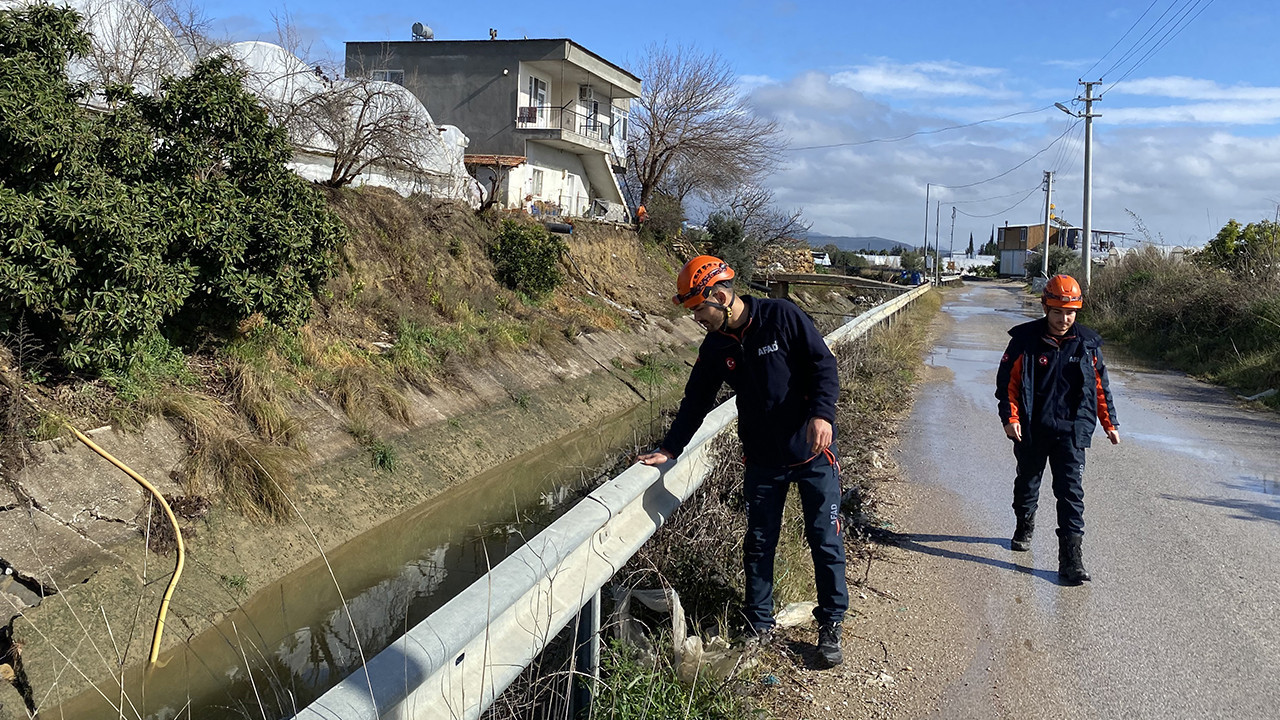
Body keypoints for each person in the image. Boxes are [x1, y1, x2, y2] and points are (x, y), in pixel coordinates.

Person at [637, 255, 848, 666]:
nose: (696, 317)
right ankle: (759, 626)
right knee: (758, 544)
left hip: (812, 452)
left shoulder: (781, 316)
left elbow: (824, 364)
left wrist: (823, 413)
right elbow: (695, 401)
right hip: (763, 459)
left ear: (719, 295)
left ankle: (831, 624)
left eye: (699, 308)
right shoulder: (716, 347)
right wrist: (670, 449)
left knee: (825, 538)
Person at [995, 274, 1120, 585]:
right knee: (1027, 484)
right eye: (1057, 312)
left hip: (1072, 432)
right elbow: (1007, 385)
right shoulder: (1024, 341)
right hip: (1032, 429)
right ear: (1045, 307)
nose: (1064, 319)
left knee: (1071, 494)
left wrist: (1110, 423)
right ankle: (1024, 525)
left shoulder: (1088, 344)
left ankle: (1071, 560)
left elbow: (1100, 388)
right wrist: (1011, 418)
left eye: (1070, 313)